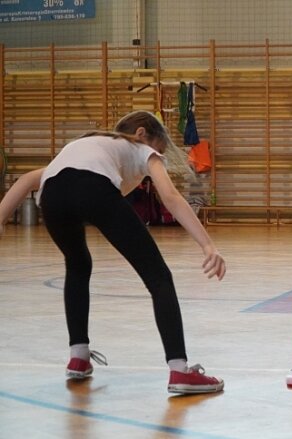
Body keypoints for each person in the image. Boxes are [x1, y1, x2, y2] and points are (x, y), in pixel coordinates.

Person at [0, 110, 226, 394]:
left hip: (52, 194)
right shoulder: (140, 149)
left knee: (78, 264)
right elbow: (170, 196)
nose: (154, 161)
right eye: (159, 150)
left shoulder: (91, 145)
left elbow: (25, 181)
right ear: (143, 134)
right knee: (158, 277)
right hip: (93, 188)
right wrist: (207, 245)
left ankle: (79, 356)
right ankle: (180, 371)